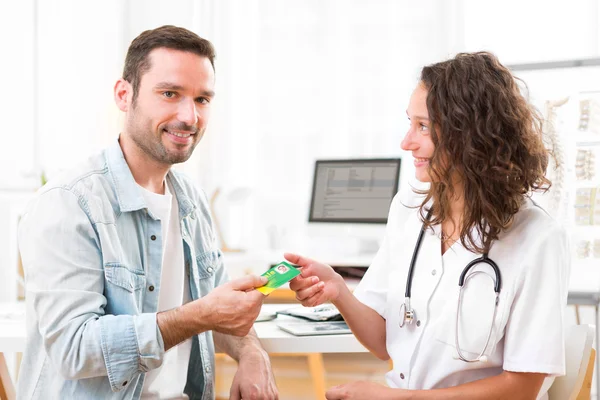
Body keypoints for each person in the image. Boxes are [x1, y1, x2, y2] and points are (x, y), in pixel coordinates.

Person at [286, 52, 569, 400]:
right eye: (410, 123)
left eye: (423, 126)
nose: (407, 142)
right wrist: (339, 291)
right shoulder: (410, 211)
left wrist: (393, 399)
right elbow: (385, 341)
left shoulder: (537, 237)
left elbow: (522, 387)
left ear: (471, 135)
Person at [17, 25, 278, 400]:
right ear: (125, 95)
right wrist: (199, 315)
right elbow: (74, 348)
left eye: (202, 99)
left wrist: (251, 353)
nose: (189, 116)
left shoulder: (192, 201)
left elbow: (223, 314)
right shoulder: (68, 202)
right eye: (169, 93)